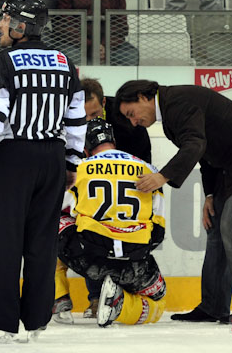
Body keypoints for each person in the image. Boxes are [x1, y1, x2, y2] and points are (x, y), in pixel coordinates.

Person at [0, 0, 86, 342]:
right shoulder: (65, 62)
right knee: (42, 242)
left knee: (3, 240)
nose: (0, 25)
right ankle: (37, 318)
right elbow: (76, 118)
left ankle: (2, 318)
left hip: (13, 158)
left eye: (6, 20)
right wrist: (71, 162)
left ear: (21, 27)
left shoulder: (6, 61)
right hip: (52, 160)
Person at [114, 80, 232, 322]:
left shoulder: (178, 102)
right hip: (230, 165)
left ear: (143, 96)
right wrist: (210, 195)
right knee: (216, 227)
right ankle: (214, 306)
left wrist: (162, 176)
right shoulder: (170, 110)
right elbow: (205, 153)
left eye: (132, 114)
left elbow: (195, 145)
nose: (134, 122)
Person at [53, 77, 152, 323]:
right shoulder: (65, 118)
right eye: (83, 116)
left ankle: (107, 296)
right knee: (76, 227)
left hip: (123, 196)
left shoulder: (128, 122)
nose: (89, 121)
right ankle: (65, 297)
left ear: (105, 103)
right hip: (83, 188)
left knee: (98, 230)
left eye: (95, 113)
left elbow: (145, 163)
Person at [57, 118, 167, 327]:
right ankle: (122, 305)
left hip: (90, 259)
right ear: (114, 141)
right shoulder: (148, 169)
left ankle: (59, 298)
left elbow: (56, 208)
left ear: (85, 146)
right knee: (159, 302)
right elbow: (158, 230)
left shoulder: (78, 170)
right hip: (135, 263)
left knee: (52, 221)